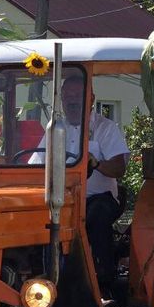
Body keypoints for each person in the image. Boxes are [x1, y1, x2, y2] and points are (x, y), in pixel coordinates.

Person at [58, 74, 129, 293]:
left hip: (99, 198)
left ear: (91, 99)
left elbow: (119, 168)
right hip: (62, 199)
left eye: (77, 95)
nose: (72, 101)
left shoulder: (105, 128)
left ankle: (103, 282)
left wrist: (96, 162)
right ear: (60, 98)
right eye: (67, 96)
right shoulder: (55, 128)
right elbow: (35, 162)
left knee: (97, 215)